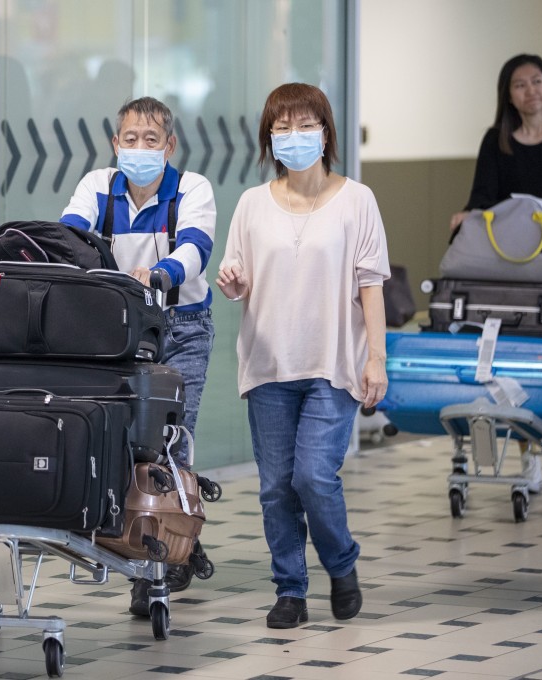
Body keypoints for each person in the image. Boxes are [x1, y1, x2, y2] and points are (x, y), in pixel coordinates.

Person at [216, 82, 389, 629]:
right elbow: (238, 279)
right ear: (270, 138)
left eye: (304, 125)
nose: (294, 136)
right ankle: (290, 588)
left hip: (333, 363)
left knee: (314, 477)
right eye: (282, 127)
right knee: (274, 488)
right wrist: (232, 281)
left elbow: (371, 285)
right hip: (268, 365)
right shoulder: (250, 203)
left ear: (325, 133)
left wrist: (376, 359)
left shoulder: (357, 200)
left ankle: (341, 564)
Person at [60, 96, 217, 615]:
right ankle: (148, 543)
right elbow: (70, 240)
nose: (140, 149)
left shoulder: (191, 188)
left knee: (171, 442)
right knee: (127, 443)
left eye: (151, 141)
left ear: (168, 146)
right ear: (115, 143)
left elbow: (195, 248)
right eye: (130, 139)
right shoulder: (97, 187)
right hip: (118, 332)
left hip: (181, 328)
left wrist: (160, 274)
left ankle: (168, 553)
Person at [448, 54, 542, 493]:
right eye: (520, 84)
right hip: (513, 256)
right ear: (508, 94)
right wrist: (468, 217)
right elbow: (483, 196)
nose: (531, 90)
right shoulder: (496, 141)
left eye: (538, 81)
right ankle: (529, 457)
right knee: (518, 352)